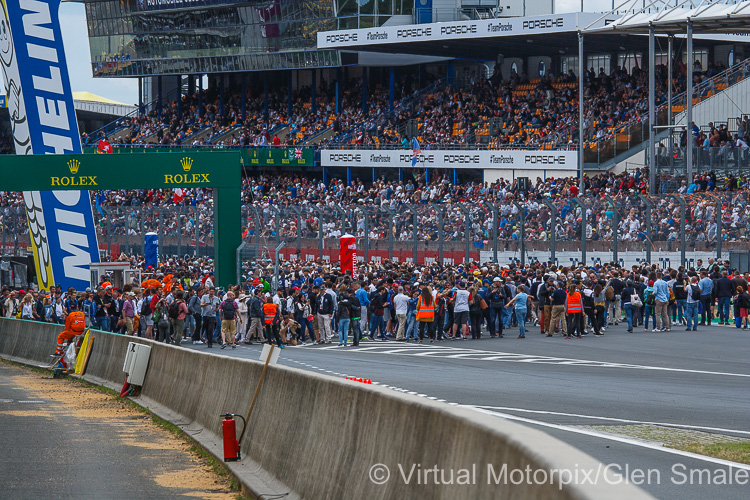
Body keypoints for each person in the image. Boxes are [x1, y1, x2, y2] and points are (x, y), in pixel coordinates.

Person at [55, 302, 86, 370]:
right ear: (77, 307)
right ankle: (69, 341)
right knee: (70, 333)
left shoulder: (70, 315)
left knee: (61, 336)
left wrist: (68, 336)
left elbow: (67, 327)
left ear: (70, 308)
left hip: (73, 332)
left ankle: (58, 351)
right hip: (81, 332)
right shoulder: (82, 314)